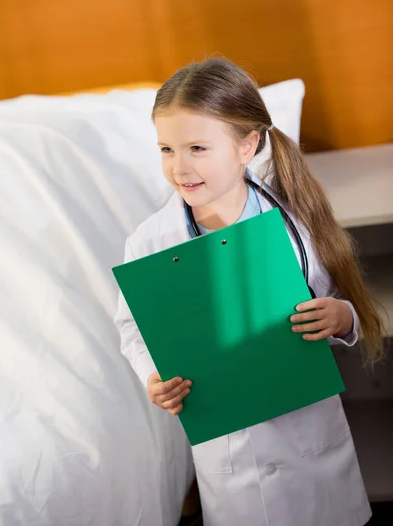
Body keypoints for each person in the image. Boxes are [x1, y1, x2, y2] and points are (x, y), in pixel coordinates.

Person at [114, 57, 383, 526]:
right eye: (166, 149)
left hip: (311, 446)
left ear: (247, 145)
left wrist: (342, 318)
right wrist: (155, 377)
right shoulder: (149, 242)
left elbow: (342, 300)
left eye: (198, 147)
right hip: (232, 459)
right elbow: (134, 327)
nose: (180, 167)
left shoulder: (294, 221)